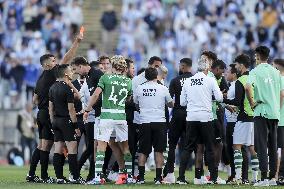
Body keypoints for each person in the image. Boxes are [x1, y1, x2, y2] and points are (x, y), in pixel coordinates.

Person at [26, 32, 83, 183]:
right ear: (47, 65)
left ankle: (32, 174)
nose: (55, 61)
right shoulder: (53, 73)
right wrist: (76, 42)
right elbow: (67, 58)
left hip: (41, 113)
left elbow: (34, 100)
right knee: (48, 146)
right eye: (53, 60)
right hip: (50, 114)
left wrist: (43, 102)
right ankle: (44, 176)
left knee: (43, 145)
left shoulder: (40, 78)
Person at [84, 55, 133, 185]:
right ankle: (128, 176)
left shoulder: (105, 78)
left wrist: (87, 110)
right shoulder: (128, 81)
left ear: (113, 65)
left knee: (101, 147)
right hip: (121, 117)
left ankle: (98, 177)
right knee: (125, 148)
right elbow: (128, 99)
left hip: (106, 116)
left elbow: (95, 94)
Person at [177, 56, 223, 185]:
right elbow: (219, 98)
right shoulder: (210, 80)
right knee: (209, 147)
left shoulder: (188, 81)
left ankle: (181, 178)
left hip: (191, 117)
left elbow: (182, 102)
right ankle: (213, 178)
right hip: (206, 117)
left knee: (188, 148)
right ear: (208, 67)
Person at [246, 46, 284, 186]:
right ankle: (273, 178)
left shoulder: (255, 71)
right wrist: (277, 109)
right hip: (274, 112)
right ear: (268, 56)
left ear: (257, 56)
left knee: (261, 145)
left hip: (261, 111)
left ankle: (263, 179)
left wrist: (252, 103)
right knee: (273, 146)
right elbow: (281, 94)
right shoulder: (276, 72)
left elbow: (248, 87)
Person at [133, 67, 174, 184]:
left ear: (145, 77)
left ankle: (141, 178)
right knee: (159, 150)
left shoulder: (139, 88)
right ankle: (158, 178)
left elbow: (136, 104)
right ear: (157, 76)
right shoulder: (163, 88)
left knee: (143, 151)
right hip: (159, 122)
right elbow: (170, 104)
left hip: (144, 122)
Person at [223, 54, 259, 184]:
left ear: (241, 65)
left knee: (236, 146)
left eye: (237, 65)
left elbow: (237, 102)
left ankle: (237, 178)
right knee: (252, 148)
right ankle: (255, 178)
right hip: (254, 117)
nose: (236, 67)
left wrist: (223, 99)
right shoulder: (254, 78)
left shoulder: (241, 80)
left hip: (243, 117)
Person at [49, 64, 84, 184]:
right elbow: (72, 109)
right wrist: (75, 126)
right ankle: (74, 177)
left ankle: (59, 177)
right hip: (66, 121)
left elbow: (50, 108)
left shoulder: (52, 87)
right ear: (66, 74)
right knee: (72, 149)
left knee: (58, 149)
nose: (72, 72)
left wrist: (52, 123)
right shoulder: (67, 89)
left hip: (56, 121)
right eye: (70, 70)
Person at [71, 56, 104, 181]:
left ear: (81, 66)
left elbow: (99, 95)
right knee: (93, 146)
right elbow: (85, 96)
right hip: (94, 116)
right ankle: (91, 174)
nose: (77, 73)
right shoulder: (88, 78)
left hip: (101, 115)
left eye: (76, 69)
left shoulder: (96, 75)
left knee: (95, 146)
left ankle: (91, 174)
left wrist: (87, 109)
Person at [163, 58, 193, 184]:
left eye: (180, 66)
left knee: (172, 145)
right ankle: (184, 176)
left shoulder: (175, 80)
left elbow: (169, 99)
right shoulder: (195, 80)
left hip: (177, 114)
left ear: (182, 66)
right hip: (191, 115)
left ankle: (170, 175)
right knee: (188, 146)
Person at [224, 63, 249, 184]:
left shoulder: (236, 85)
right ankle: (237, 175)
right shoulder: (232, 86)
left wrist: (224, 100)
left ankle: (241, 176)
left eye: (228, 72)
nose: (226, 74)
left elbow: (237, 102)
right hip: (231, 121)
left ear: (234, 74)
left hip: (234, 121)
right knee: (233, 149)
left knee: (238, 148)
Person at [272, 59, 284, 185]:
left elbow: (281, 95)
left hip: (280, 119)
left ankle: (276, 176)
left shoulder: (279, 79)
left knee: (276, 148)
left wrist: (277, 110)